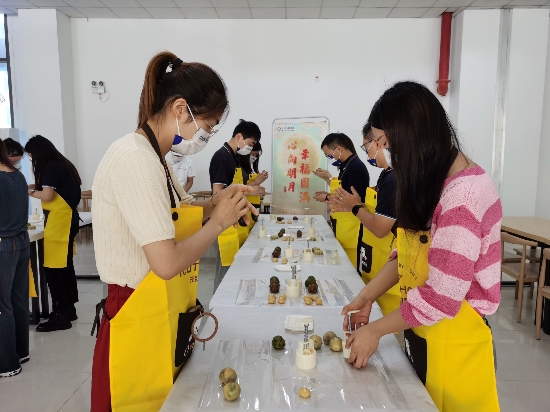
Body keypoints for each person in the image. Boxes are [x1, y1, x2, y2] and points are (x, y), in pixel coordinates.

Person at [90, 51, 257, 411]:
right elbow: (165, 262)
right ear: (181, 109)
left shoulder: (155, 157)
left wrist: (218, 202)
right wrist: (218, 223)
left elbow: (176, 215)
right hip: (136, 310)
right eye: (208, 126)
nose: (206, 136)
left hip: (162, 306)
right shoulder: (135, 158)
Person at [342, 81, 501, 411]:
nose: (385, 154)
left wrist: (375, 331)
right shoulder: (433, 182)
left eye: (386, 144)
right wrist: (367, 296)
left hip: (456, 343)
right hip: (426, 332)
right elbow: (408, 254)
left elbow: (441, 296)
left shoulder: (463, 197)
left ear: (411, 136)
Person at [330, 123, 399, 315]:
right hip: (374, 262)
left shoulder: (393, 180)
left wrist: (355, 207)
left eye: (366, 147)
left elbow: (381, 228)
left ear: (379, 142)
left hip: (387, 270)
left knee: (383, 320)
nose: (367, 154)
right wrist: (352, 206)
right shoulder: (385, 175)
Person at [25, 135, 81, 332]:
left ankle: (61, 315)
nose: (32, 160)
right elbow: (50, 189)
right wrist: (32, 187)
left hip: (60, 221)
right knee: (65, 266)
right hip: (68, 219)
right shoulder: (63, 164)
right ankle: (69, 309)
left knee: (53, 268)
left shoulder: (51, 167)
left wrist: (29, 192)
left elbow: (47, 195)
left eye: (32, 156)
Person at [209, 120, 265, 291]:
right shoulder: (222, 157)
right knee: (225, 271)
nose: (250, 148)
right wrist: (249, 191)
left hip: (235, 219)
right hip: (224, 223)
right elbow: (218, 195)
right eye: (251, 144)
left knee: (235, 270)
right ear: (239, 136)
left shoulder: (233, 157)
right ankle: (219, 305)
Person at [313, 133, 370, 269]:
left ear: (339, 149)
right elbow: (343, 191)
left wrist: (326, 198)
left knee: (349, 266)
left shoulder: (355, 168)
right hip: (344, 224)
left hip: (352, 226)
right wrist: (328, 192)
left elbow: (351, 200)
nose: (329, 159)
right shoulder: (347, 165)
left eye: (329, 155)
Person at [0, 139, 30, 378]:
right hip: (21, 241)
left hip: (4, 244)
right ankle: (21, 352)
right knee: (17, 299)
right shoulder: (17, 175)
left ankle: (7, 363)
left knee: (2, 305)